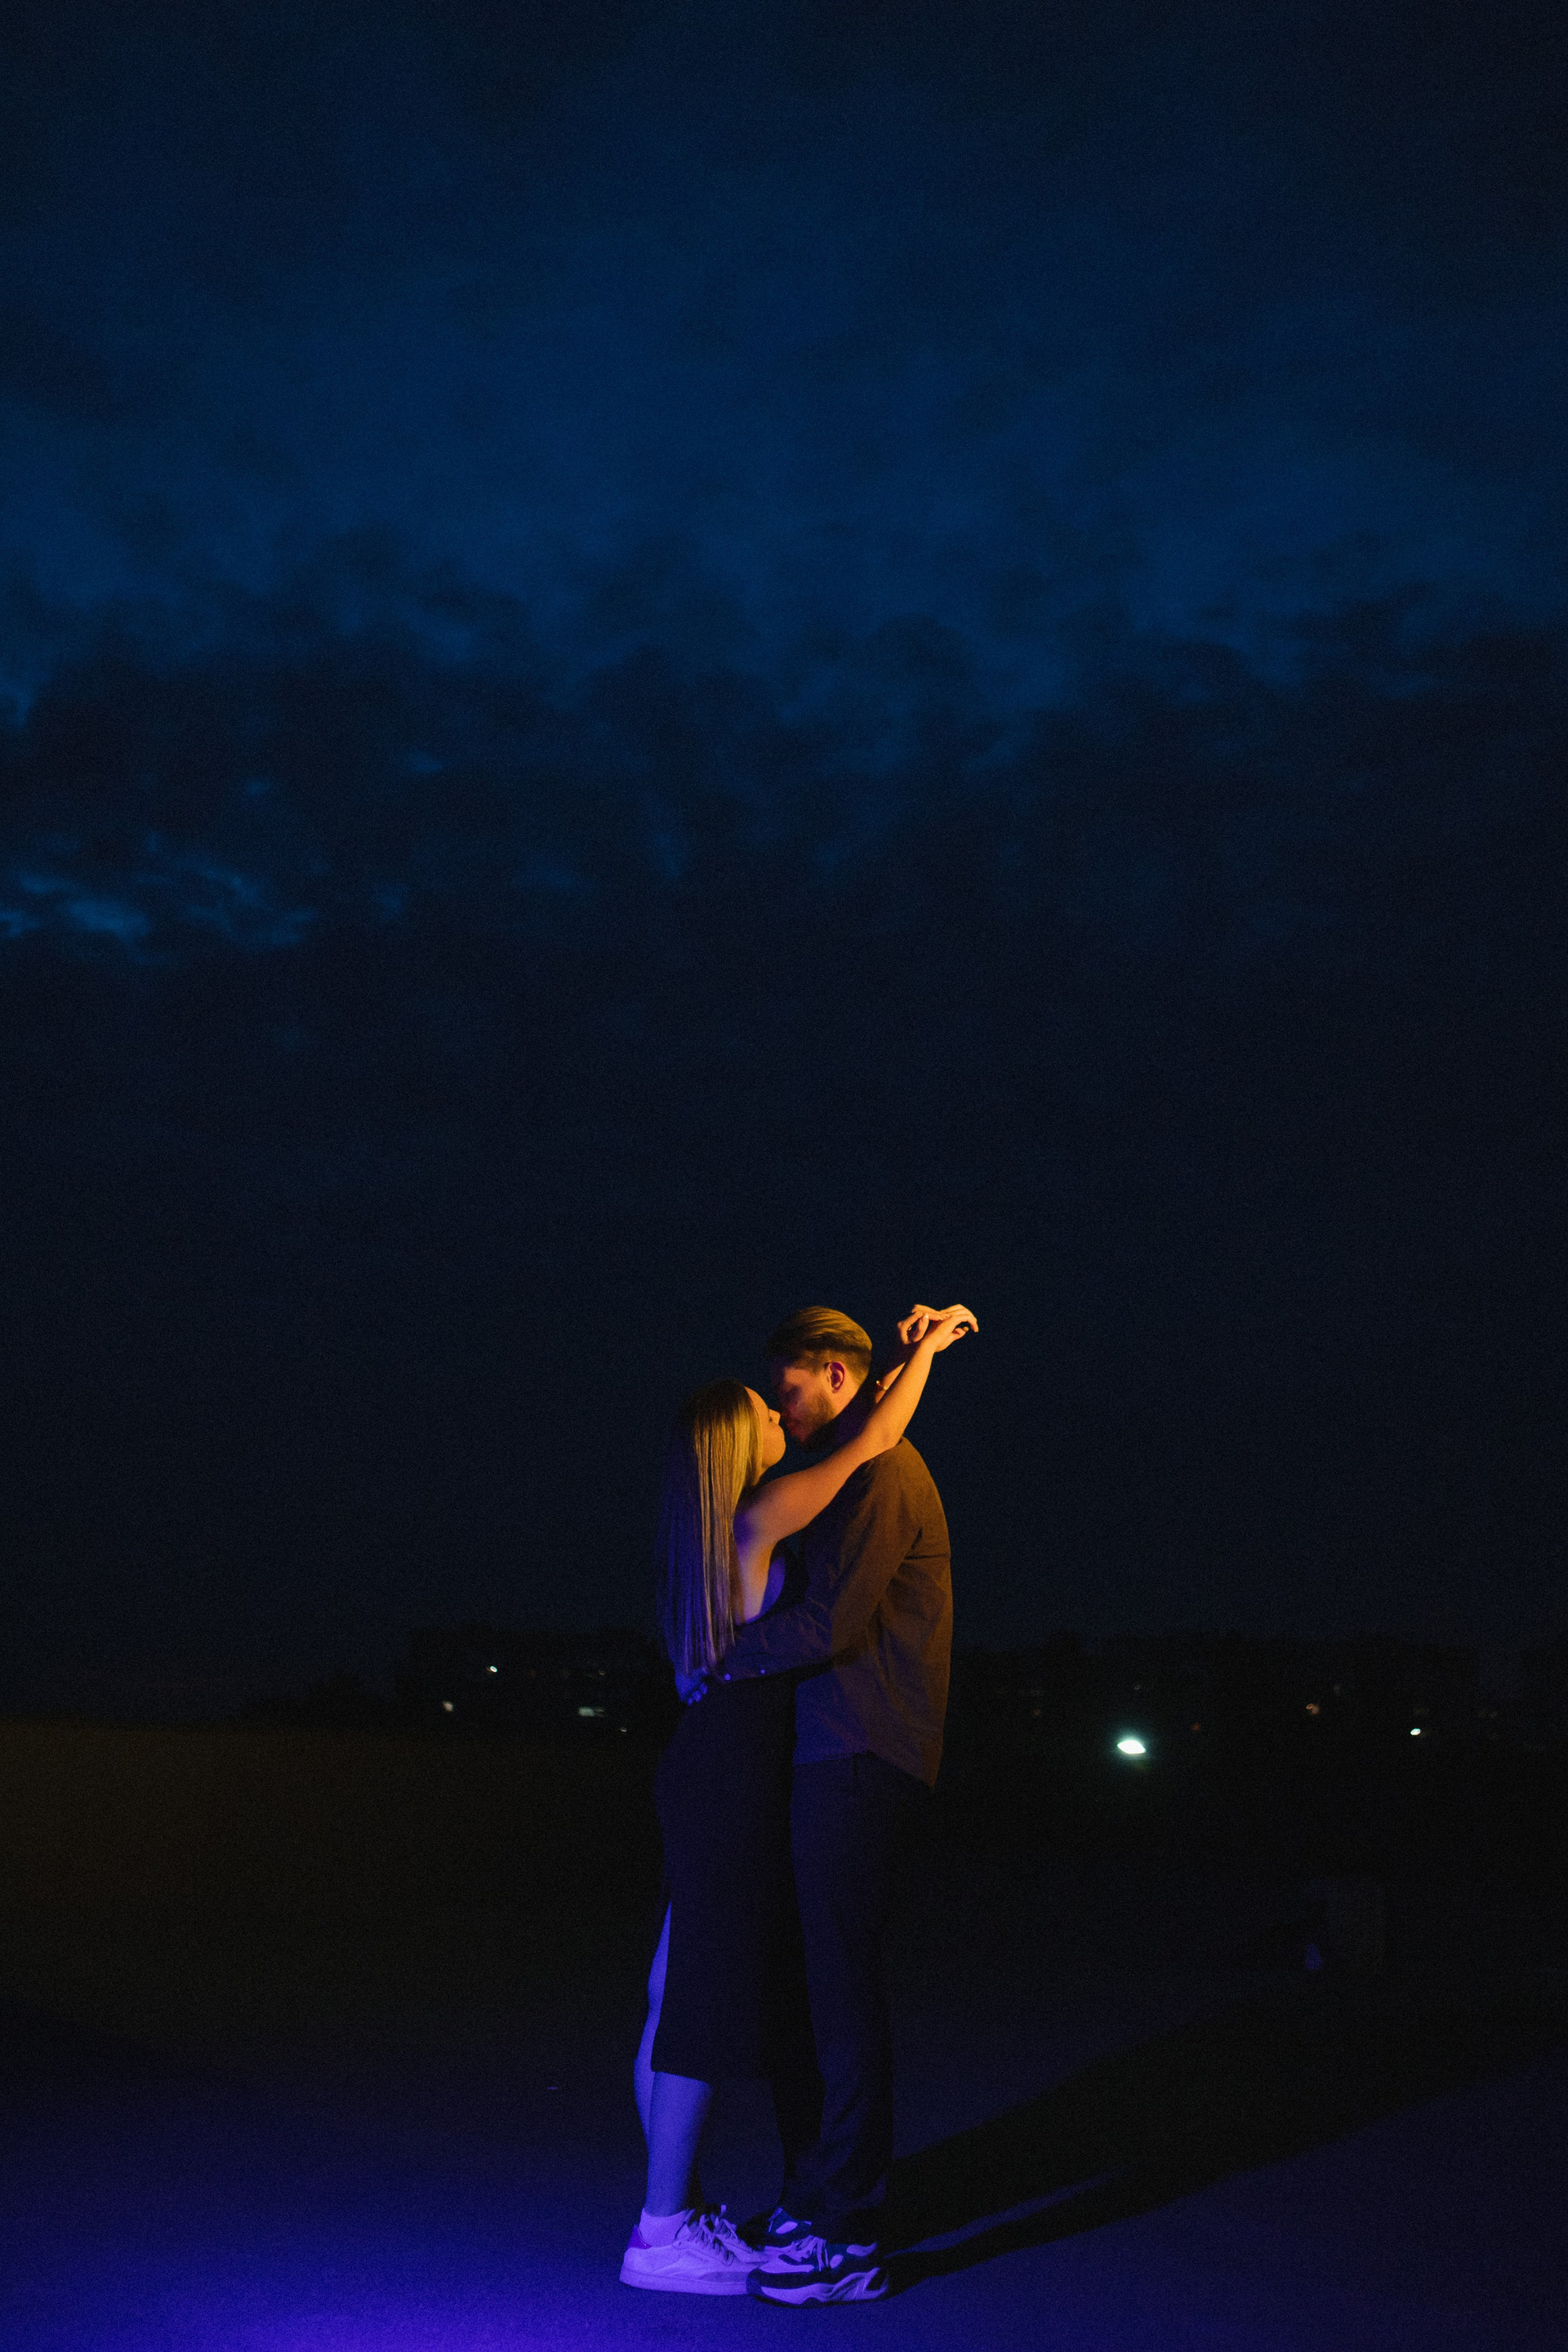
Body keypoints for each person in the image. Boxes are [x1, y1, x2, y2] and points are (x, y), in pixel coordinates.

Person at [620, 1301, 976, 2296]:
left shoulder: (760, 1511)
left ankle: (775, 2217)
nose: (781, 1416)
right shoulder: (768, 1509)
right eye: (766, 1410)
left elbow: (834, 1601)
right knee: (716, 1992)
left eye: (785, 1393)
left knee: (718, 1990)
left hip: (783, 1756)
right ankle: (691, 2220)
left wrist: (907, 1358)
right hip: (747, 1763)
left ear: (833, 1375)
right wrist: (919, 1358)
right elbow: (870, 1433)